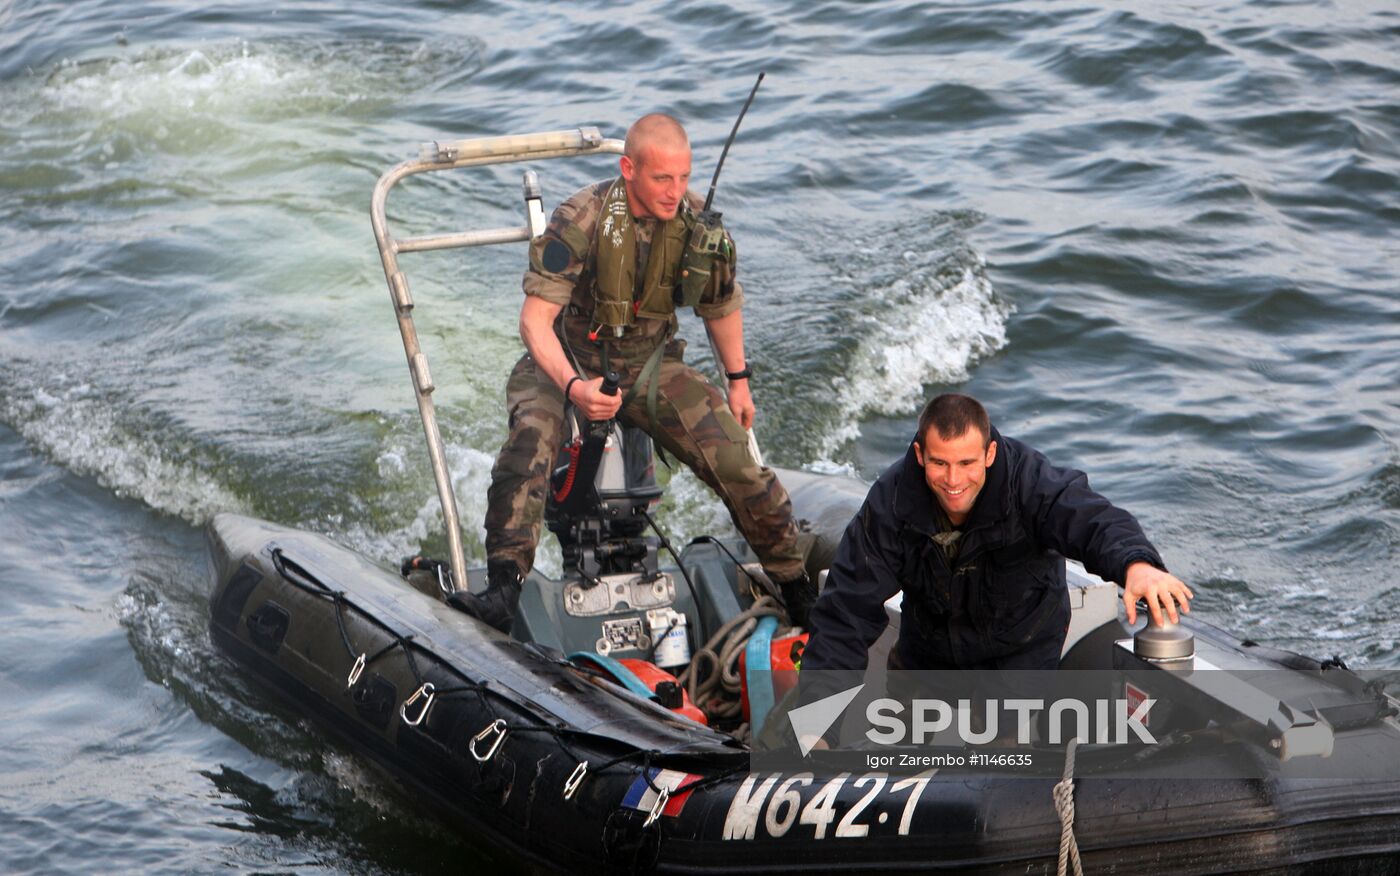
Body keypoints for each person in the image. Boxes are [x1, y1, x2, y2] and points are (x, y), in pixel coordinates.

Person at [459, 113, 815, 631]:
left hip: (650, 364)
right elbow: (535, 323)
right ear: (629, 169)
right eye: (662, 179)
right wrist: (575, 389)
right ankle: (503, 588)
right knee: (529, 442)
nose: (675, 192)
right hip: (566, 356)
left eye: (684, 178)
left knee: (735, 457)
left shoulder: (696, 226)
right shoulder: (581, 220)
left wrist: (738, 381)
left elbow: (720, 304)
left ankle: (798, 589)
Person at [801, 392, 1194, 679]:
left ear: (989, 454)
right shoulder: (891, 504)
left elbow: (1091, 519)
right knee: (905, 749)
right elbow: (844, 615)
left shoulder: (1030, 483)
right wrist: (815, 729)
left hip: (1020, 656)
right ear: (920, 455)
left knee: (1007, 765)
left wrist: (1137, 564)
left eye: (967, 462)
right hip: (928, 655)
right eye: (940, 463)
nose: (954, 481)